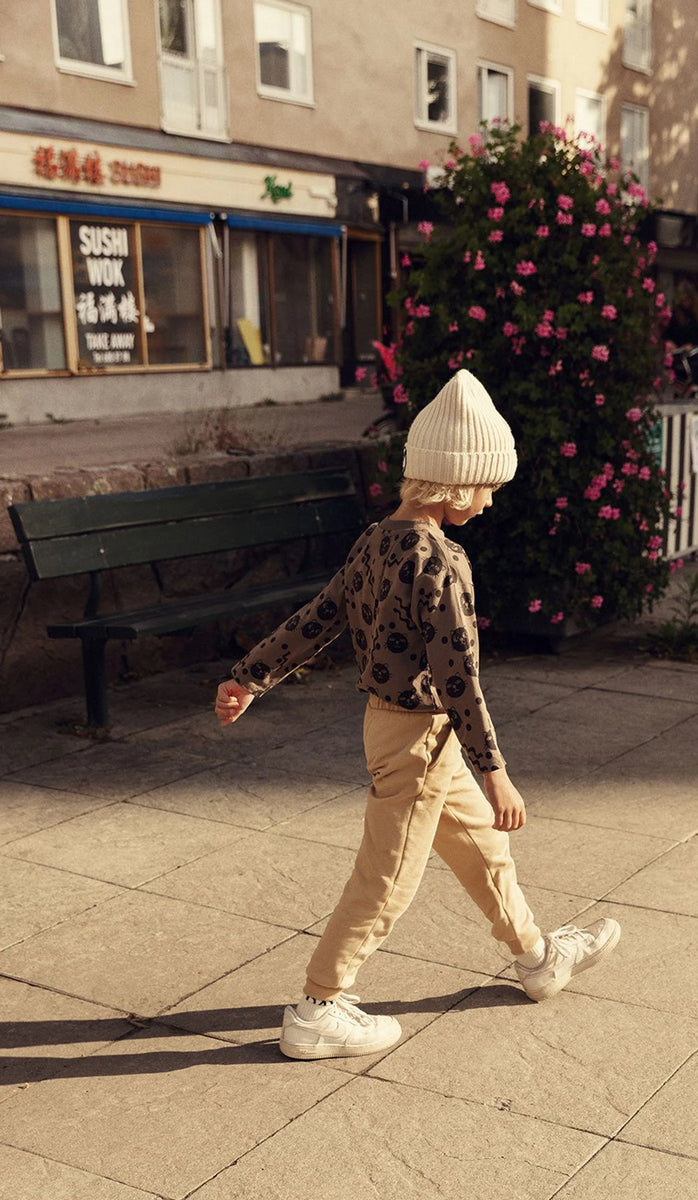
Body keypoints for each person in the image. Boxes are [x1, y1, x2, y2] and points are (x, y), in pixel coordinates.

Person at [214, 369, 621, 1060]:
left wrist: (252, 676)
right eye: (487, 487)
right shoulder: (441, 560)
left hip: (401, 728)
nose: (490, 502)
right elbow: (460, 677)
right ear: (455, 482)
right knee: (388, 875)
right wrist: (498, 773)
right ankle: (318, 1007)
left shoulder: (376, 540)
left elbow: (321, 615)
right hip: (418, 740)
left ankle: (536, 957)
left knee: (483, 851)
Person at [665, 280, 698, 393]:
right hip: (681, 359)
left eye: (686, 299)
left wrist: (694, 345)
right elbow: (669, 333)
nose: (684, 303)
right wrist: (670, 343)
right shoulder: (677, 314)